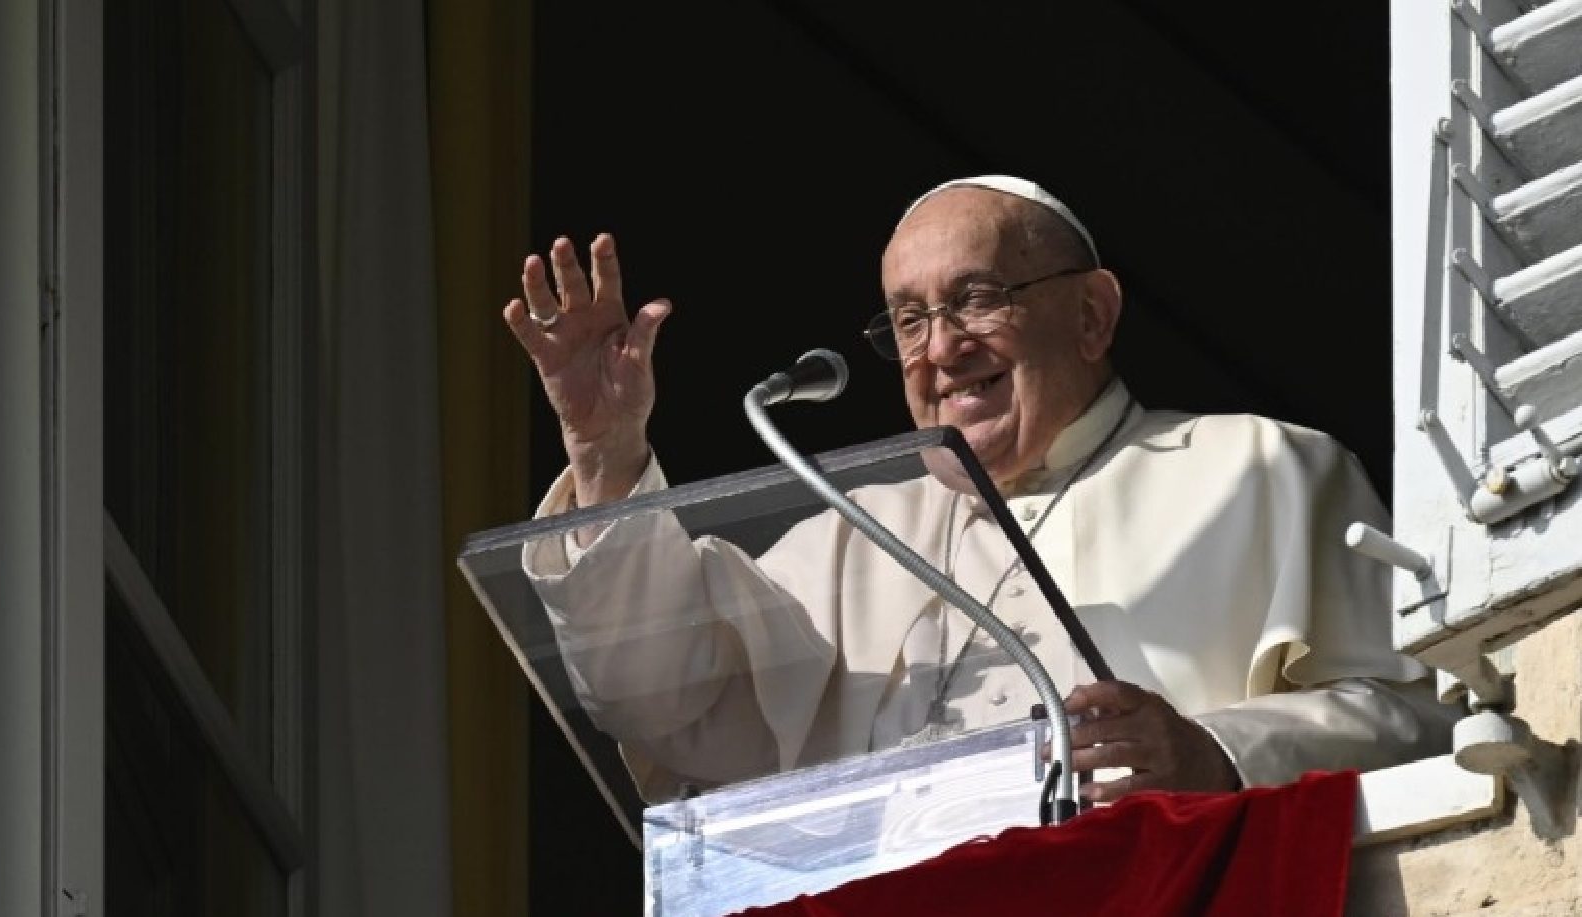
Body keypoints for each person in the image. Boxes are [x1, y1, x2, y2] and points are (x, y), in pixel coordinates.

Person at [501, 175, 1458, 805]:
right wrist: (606, 450)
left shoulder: (1261, 469)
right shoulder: (852, 534)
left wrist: (1214, 754)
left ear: (1091, 315)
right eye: (908, 320)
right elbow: (661, 699)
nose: (942, 349)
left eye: (977, 299)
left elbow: (1420, 717)